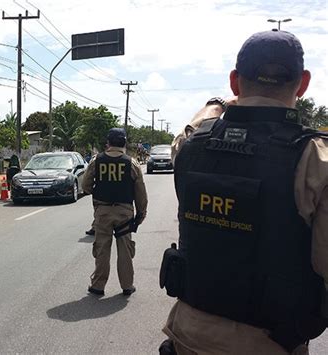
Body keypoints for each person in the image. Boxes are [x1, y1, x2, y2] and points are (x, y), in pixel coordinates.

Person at [160, 30, 328, 355]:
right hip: (270, 342)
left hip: (188, 335)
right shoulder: (315, 161)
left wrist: (216, 104)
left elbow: (185, 135)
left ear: (235, 81)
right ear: (303, 83)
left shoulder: (191, 148)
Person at [82, 128, 148, 296]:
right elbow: (140, 193)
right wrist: (140, 215)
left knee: (102, 249)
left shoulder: (96, 161)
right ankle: (127, 285)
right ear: (124, 143)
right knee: (125, 250)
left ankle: (98, 286)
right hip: (125, 214)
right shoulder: (131, 163)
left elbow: (86, 187)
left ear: (108, 143)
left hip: (102, 213)